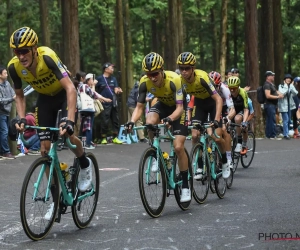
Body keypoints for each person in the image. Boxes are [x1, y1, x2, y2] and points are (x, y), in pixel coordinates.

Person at [8, 27, 93, 204]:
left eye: (24, 51)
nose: (21, 56)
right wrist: (22, 118)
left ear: (34, 48)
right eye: (17, 52)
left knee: (68, 135)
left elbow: (70, 88)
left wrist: (69, 120)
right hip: (45, 99)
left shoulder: (47, 57)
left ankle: (84, 164)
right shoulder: (14, 67)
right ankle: (54, 200)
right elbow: (20, 95)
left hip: (63, 95)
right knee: (45, 150)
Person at [125, 52, 191, 202]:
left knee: (178, 147)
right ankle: (155, 152)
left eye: (155, 73)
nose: (152, 77)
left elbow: (180, 108)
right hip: (163, 105)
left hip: (178, 109)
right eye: (149, 74)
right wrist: (132, 121)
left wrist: (170, 119)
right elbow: (139, 107)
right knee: (149, 121)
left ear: (162, 70)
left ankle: (186, 186)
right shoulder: (144, 81)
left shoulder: (175, 80)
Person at [176, 52, 230, 180]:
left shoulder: (202, 77)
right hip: (199, 104)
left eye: (187, 68)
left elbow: (218, 99)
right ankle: (200, 166)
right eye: (181, 68)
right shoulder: (180, 80)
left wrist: (217, 119)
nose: (184, 71)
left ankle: (225, 161)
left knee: (216, 137)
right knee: (195, 134)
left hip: (212, 103)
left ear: (193, 68)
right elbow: (180, 102)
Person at [209, 71, 236, 166]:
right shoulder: (207, 88)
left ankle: (228, 158)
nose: (214, 89)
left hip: (225, 108)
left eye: (216, 86)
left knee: (224, 130)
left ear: (219, 84)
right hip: (214, 107)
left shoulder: (225, 89)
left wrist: (227, 118)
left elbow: (232, 109)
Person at [78, 73, 111, 149]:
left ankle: (84, 144)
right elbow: (93, 94)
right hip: (89, 109)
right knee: (89, 127)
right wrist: (93, 86)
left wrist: (103, 98)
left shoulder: (81, 87)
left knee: (84, 126)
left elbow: (94, 94)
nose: (93, 81)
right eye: (92, 79)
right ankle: (88, 144)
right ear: (88, 80)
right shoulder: (85, 86)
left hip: (83, 109)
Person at [96, 63, 123, 144]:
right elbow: (92, 89)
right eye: (111, 68)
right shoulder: (99, 78)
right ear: (106, 69)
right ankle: (103, 137)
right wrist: (99, 98)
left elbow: (115, 89)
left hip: (113, 102)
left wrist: (118, 90)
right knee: (105, 120)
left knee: (115, 119)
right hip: (104, 102)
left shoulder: (113, 79)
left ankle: (115, 137)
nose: (113, 69)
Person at [227, 76, 249, 155]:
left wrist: (244, 121)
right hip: (232, 110)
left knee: (238, 120)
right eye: (230, 88)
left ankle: (242, 142)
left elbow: (246, 109)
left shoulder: (243, 92)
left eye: (234, 88)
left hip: (242, 109)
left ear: (238, 87)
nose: (232, 90)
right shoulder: (228, 92)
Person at [0, 66, 16, 160]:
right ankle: (5, 152)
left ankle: (3, 151)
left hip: (7, 112)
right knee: (4, 132)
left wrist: (13, 96)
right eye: (5, 73)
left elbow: (13, 93)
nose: (6, 75)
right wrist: (11, 99)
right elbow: (1, 100)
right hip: (0, 112)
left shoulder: (7, 84)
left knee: (5, 132)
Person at [263, 71, 284, 140]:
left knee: (270, 120)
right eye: (272, 75)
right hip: (269, 105)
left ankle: (268, 135)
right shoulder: (267, 85)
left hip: (272, 105)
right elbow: (268, 95)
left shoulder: (272, 85)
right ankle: (272, 135)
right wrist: (278, 97)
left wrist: (280, 94)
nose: (273, 77)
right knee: (272, 120)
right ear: (268, 77)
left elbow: (275, 91)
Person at [278, 74, 298, 140]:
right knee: (286, 119)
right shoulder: (281, 86)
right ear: (284, 79)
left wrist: (291, 86)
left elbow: (296, 93)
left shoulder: (290, 86)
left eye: (290, 79)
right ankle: (285, 135)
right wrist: (286, 86)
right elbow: (282, 93)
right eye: (287, 78)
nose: (288, 79)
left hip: (290, 106)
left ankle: (286, 133)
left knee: (288, 120)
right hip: (283, 105)